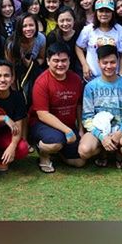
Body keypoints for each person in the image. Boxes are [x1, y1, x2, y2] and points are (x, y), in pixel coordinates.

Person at [78, 45, 122, 168]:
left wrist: (120, 132)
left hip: (121, 131)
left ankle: (118, 151)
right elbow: (87, 117)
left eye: (112, 62)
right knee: (84, 151)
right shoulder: (90, 87)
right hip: (99, 131)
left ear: (117, 62)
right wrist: (102, 136)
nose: (109, 66)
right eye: (105, 63)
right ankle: (102, 151)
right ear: (98, 62)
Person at [29, 43, 86, 173]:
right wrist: (67, 131)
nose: (60, 64)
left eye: (64, 60)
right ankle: (43, 152)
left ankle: (60, 152)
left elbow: (78, 104)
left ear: (69, 61)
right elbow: (42, 114)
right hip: (43, 124)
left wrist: (81, 129)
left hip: (67, 125)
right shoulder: (42, 82)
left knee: (79, 161)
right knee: (55, 143)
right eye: (56, 61)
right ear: (48, 61)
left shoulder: (76, 79)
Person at [75, 0, 122, 81]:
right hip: (92, 76)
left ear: (112, 13)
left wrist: (121, 74)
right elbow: (78, 46)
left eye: (107, 11)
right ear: (96, 13)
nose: (104, 14)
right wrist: (84, 65)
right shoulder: (88, 29)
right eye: (101, 11)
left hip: (113, 77)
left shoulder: (119, 30)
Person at [4, 13, 46, 105]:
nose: (28, 29)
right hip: (17, 74)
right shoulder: (12, 44)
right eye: (24, 26)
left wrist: (31, 64)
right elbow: (10, 67)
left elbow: (41, 58)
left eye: (31, 25)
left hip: (33, 71)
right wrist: (14, 89)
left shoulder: (40, 38)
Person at [46, 5, 81, 74]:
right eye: (62, 21)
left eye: (68, 20)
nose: (65, 24)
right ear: (57, 22)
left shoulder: (79, 34)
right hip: (58, 70)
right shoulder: (52, 36)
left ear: (74, 20)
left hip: (76, 71)